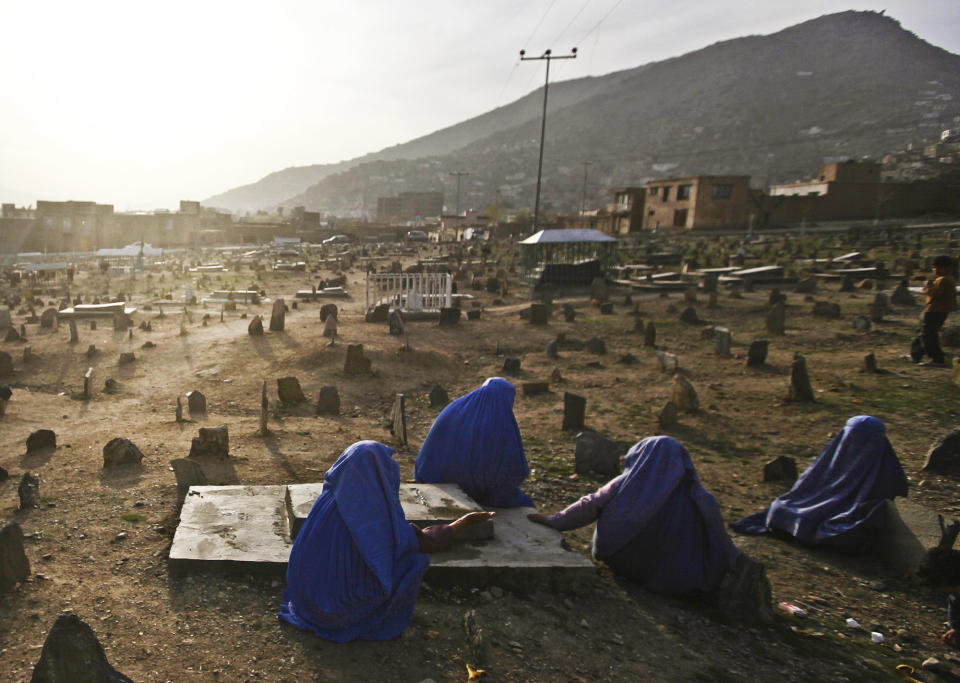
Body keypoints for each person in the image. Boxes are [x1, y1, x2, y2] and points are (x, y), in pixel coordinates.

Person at [278, 441, 494, 642]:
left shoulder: (330, 498)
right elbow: (419, 541)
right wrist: (462, 523)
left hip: (303, 599)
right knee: (414, 561)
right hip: (333, 613)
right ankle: (380, 615)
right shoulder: (373, 516)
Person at [528, 436, 739, 596]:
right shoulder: (702, 499)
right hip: (675, 575)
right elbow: (719, 542)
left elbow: (591, 504)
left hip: (619, 557)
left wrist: (554, 521)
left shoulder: (627, 482)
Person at [731, 416, 907, 549]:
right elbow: (807, 488)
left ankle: (804, 530)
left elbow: (884, 506)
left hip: (845, 515)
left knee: (843, 534)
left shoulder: (888, 470)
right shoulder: (836, 455)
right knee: (779, 509)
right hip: (815, 506)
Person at [415, 377, 533, 507]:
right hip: (471, 490)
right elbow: (512, 469)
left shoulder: (454, 407)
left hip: (430, 477)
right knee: (525, 503)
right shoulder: (502, 424)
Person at [911, 254, 957, 367]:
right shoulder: (945, 279)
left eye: (937, 267)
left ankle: (937, 359)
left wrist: (927, 287)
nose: (934, 270)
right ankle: (916, 355)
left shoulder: (944, 280)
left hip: (936, 311)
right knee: (922, 333)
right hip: (934, 309)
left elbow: (936, 294)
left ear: (945, 268)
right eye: (934, 267)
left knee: (929, 334)